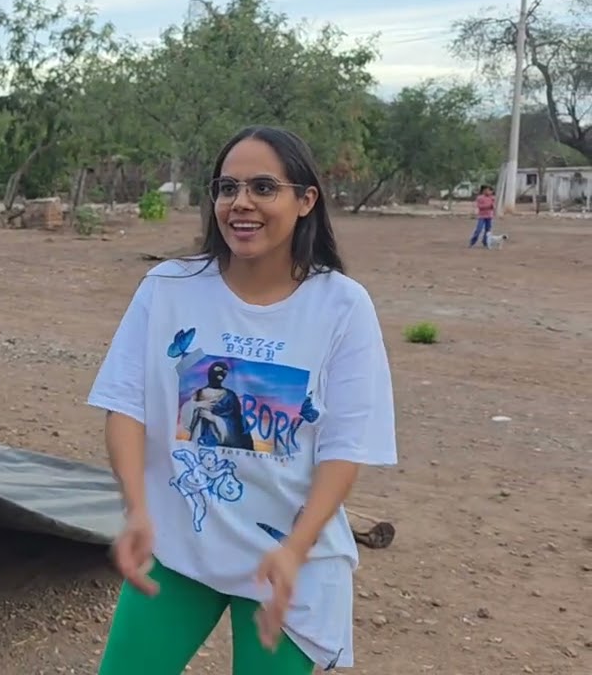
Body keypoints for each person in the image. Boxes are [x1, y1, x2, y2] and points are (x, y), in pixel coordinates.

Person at [87, 125, 398, 674]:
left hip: (289, 558)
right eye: (227, 188)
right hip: (181, 543)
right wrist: (137, 510)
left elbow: (344, 448)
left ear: (305, 201)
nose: (241, 203)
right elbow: (127, 406)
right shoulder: (168, 288)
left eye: (262, 187)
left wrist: (296, 548)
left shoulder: (342, 307)